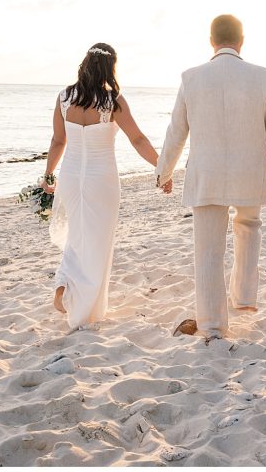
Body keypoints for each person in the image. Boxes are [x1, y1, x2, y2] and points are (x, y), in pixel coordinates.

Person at [155, 14, 266, 339]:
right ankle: (244, 297)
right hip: (249, 174)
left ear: (211, 41)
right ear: (241, 40)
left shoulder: (191, 78)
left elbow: (176, 131)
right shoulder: (262, 77)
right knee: (248, 227)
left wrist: (164, 172)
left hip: (206, 176)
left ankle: (214, 326)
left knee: (207, 252)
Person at [42, 43, 162, 330]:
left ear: (85, 64)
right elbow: (138, 140)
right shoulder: (113, 101)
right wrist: (162, 168)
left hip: (71, 178)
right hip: (102, 180)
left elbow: (58, 142)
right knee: (98, 243)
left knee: (77, 236)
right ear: (111, 67)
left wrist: (48, 176)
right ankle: (83, 307)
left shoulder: (64, 97)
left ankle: (65, 287)